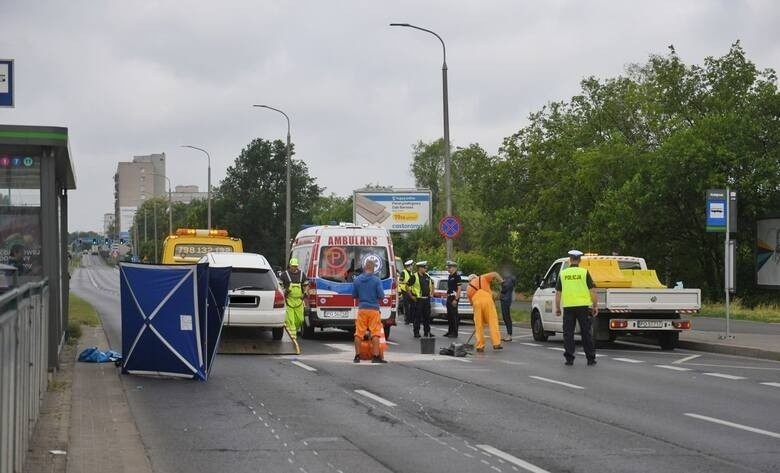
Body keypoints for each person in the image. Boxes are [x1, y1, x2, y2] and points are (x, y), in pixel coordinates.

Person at [555, 250, 598, 366]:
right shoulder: (584, 272)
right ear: (580, 260)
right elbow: (593, 291)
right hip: (583, 307)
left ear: (570, 260)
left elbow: (558, 293)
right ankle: (590, 358)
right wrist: (594, 306)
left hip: (569, 306)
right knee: (586, 333)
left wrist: (557, 307)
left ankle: (569, 358)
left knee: (568, 333)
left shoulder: (563, 274)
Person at [352, 259, 387, 363]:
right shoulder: (376, 280)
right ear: (373, 268)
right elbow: (381, 295)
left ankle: (357, 356)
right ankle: (375, 357)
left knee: (358, 333)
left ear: (364, 267)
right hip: (374, 310)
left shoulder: (357, 280)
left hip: (362, 308)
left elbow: (354, 295)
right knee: (375, 333)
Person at [467, 271, 504, 352]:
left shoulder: (468, 288)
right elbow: (495, 274)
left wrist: (479, 316)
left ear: (469, 281)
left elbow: (471, 303)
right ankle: (496, 343)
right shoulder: (482, 278)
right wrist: (502, 282)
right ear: (476, 277)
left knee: (479, 325)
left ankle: (480, 346)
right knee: (492, 322)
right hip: (487, 300)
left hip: (476, 302)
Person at [280, 257, 308, 340]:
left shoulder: (302, 274)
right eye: (293, 266)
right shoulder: (284, 275)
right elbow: (280, 286)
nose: (294, 267)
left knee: (300, 319)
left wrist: (305, 292)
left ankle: (294, 331)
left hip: (299, 300)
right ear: (290, 265)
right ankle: (293, 337)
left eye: (295, 266)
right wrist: (285, 291)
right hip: (289, 300)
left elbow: (306, 285)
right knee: (290, 320)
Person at [408, 260, 434, 338]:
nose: (425, 269)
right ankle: (416, 332)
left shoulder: (427, 276)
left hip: (426, 299)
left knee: (427, 317)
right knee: (417, 317)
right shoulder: (414, 276)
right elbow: (407, 286)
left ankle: (427, 332)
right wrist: (411, 296)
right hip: (419, 299)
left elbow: (432, 284)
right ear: (419, 268)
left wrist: (432, 293)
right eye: (424, 267)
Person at [442, 260, 462, 338]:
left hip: (454, 297)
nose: (448, 269)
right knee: (449, 315)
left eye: (450, 267)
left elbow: (459, 289)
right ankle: (450, 331)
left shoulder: (457, 276)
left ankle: (454, 332)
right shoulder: (450, 276)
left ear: (454, 268)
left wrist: (456, 299)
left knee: (454, 315)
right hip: (449, 296)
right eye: (448, 267)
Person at [499, 272, 517, 342]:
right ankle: (508, 334)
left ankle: (509, 335)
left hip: (506, 299)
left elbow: (506, 288)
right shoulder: (506, 278)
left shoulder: (510, 279)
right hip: (504, 298)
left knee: (506, 316)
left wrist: (502, 283)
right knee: (505, 317)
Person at [398, 259, 414, 324]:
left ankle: (411, 319)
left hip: (410, 290)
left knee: (412, 305)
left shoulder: (411, 272)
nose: (412, 267)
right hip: (404, 290)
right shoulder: (403, 272)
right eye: (411, 266)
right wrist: (406, 283)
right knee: (406, 306)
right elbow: (400, 281)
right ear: (408, 266)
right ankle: (407, 319)